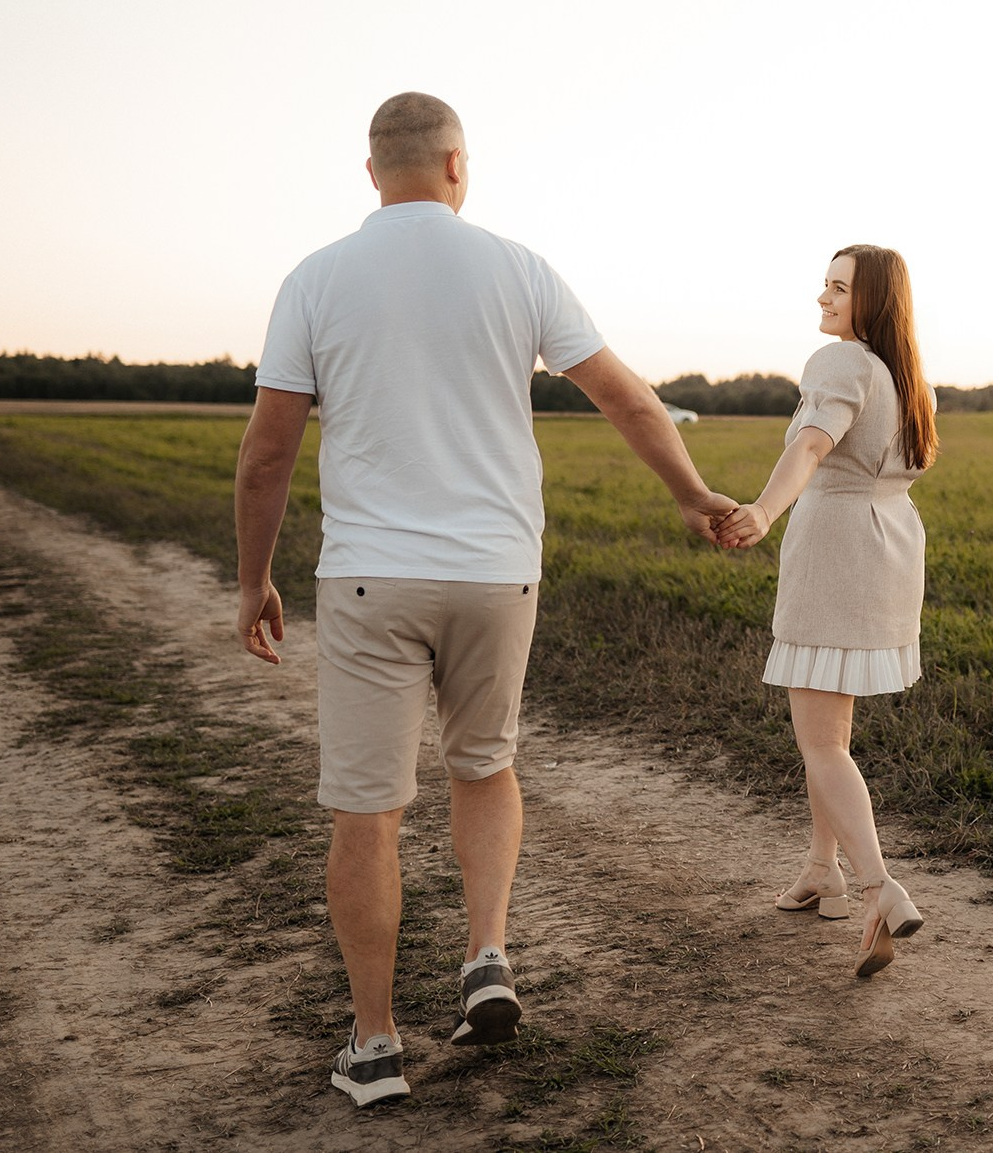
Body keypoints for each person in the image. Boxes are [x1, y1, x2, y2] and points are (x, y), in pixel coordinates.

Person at [233, 92, 735, 1108]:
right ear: (457, 166)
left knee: (365, 808)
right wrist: (692, 496)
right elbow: (627, 397)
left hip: (371, 574)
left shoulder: (315, 277)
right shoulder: (519, 266)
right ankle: (487, 955)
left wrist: (253, 578)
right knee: (485, 762)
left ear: (371, 172)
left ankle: (374, 1041)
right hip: (497, 569)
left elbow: (269, 449)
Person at [714, 244, 938, 977]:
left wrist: (764, 509)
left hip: (834, 555)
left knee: (820, 741)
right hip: (888, 555)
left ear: (870, 301)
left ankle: (878, 886)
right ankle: (822, 870)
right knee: (832, 731)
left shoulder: (840, 364)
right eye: (825, 285)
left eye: (838, 289)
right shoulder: (908, 379)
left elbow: (811, 445)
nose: (822, 299)